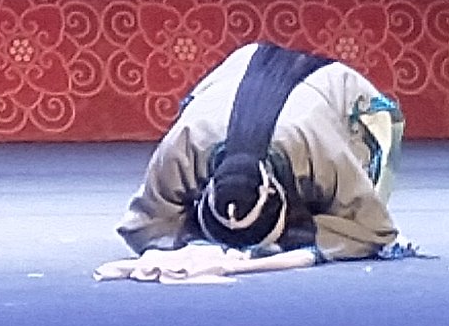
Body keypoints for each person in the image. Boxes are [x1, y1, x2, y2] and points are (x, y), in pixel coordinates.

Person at [113, 40, 406, 274]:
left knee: (354, 188)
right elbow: (142, 224)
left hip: (330, 88)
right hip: (240, 67)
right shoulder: (185, 141)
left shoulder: (321, 148)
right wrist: (196, 240)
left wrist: (295, 238)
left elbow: (372, 230)